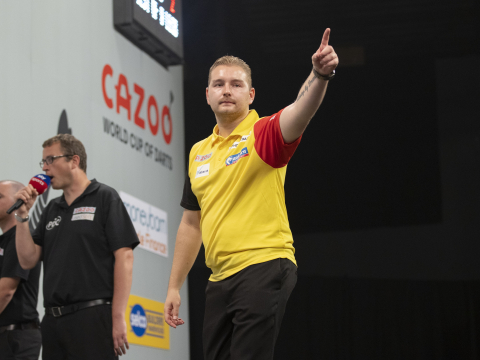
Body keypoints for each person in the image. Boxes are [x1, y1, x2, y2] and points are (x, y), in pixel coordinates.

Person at [165, 28, 339, 359]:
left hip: (264, 263)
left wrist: (319, 75)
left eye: (236, 84)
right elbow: (191, 223)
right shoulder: (198, 153)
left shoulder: (262, 135)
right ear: (206, 95)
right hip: (219, 278)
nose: (226, 90)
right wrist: (174, 286)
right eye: (219, 84)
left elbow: (299, 112)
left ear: (251, 94)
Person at [14, 134, 140, 359]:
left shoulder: (104, 197)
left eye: (50, 160)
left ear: (74, 161)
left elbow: (125, 257)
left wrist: (118, 315)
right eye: (42, 162)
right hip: (53, 322)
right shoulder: (52, 208)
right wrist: (23, 217)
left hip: (93, 317)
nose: (44, 168)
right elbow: (27, 259)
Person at [0, 180, 41, 359]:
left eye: (0, 196)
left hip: (17, 338)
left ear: (17, 201)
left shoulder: (20, 238)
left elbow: (6, 290)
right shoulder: (4, 241)